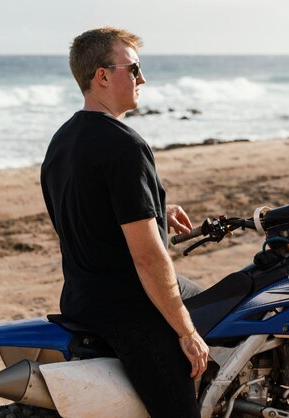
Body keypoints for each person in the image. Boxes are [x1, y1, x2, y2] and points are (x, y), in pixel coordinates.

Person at [40, 27, 208, 417]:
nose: (142, 79)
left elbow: (85, 209)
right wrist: (186, 333)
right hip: (128, 308)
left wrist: (152, 209)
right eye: (133, 69)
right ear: (102, 75)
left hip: (81, 295)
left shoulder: (62, 141)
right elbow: (149, 259)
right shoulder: (126, 146)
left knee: (222, 305)